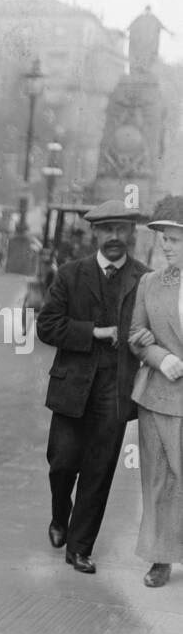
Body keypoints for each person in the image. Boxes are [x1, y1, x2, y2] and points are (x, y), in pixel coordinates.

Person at [36, 199, 149, 574]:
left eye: (121, 229)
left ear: (131, 233)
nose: (114, 236)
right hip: (71, 387)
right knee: (62, 463)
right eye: (107, 230)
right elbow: (47, 326)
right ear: (95, 233)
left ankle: (80, 548)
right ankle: (59, 515)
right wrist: (95, 332)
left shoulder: (143, 279)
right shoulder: (70, 274)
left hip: (115, 390)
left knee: (99, 470)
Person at [126, 195, 183, 587]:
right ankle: (160, 558)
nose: (165, 245)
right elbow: (134, 336)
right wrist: (158, 355)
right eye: (162, 238)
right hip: (160, 397)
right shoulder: (150, 283)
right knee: (159, 480)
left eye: (174, 239)